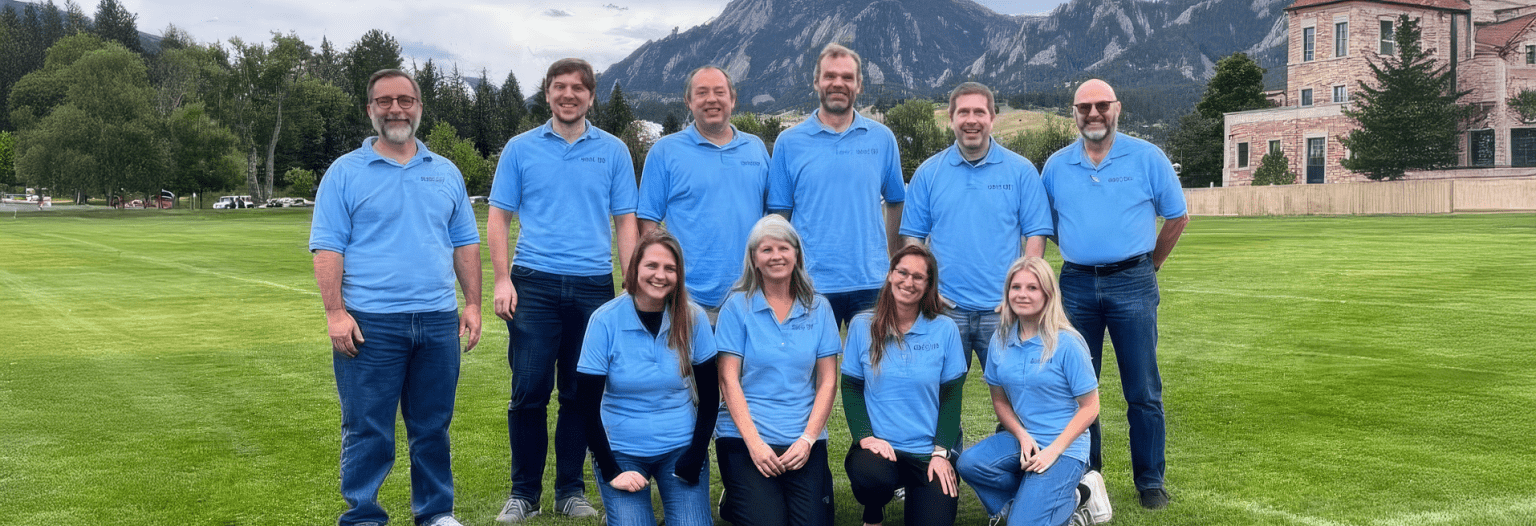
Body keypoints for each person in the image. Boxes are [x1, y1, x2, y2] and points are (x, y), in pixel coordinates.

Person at [309, 68, 481, 526]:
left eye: (405, 100)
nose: (396, 109)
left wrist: (472, 304)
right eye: (384, 101)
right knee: (368, 428)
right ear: (370, 110)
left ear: (419, 107)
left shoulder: (445, 172)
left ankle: (436, 513)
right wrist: (335, 312)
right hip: (371, 322)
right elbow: (327, 247)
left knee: (432, 427)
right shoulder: (345, 173)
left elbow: (465, 243)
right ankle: (364, 516)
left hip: (438, 319)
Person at [488, 57, 639, 522]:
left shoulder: (614, 150)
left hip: (594, 285)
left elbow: (626, 222)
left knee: (580, 392)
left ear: (590, 96)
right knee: (529, 390)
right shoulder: (520, 148)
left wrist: (632, 285)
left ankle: (570, 491)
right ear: (548, 92)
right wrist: (501, 278)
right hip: (533, 282)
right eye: (559, 86)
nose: (568, 94)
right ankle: (524, 494)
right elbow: (499, 216)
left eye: (578, 87)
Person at [1039, 78, 1189, 509]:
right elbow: (1046, 223)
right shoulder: (1056, 166)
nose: (1094, 113)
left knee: (1143, 388)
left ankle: (1150, 481)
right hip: (1076, 283)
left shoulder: (1147, 157)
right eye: (1084, 107)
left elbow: (1177, 217)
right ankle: (1088, 475)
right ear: (1073, 113)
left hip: (1133, 281)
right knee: (1076, 387)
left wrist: (1150, 264)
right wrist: (1081, 248)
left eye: (1102, 105)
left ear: (1117, 108)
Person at [901, 81, 1053, 371]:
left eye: (979, 112)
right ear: (951, 118)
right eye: (963, 112)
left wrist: (1020, 293)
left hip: (1003, 309)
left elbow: (1036, 234)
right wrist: (926, 290)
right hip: (944, 310)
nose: (971, 120)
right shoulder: (928, 173)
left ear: (992, 118)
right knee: (939, 391)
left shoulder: (1021, 171)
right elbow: (912, 239)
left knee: (1013, 388)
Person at [575, 230, 718, 526]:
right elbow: (586, 407)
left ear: (679, 274)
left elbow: (709, 399)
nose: (660, 275)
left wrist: (695, 454)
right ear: (635, 268)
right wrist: (612, 470)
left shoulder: (694, 318)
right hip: (621, 449)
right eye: (651, 265)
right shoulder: (604, 321)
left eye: (669, 268)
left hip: (680, 445)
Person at [714, 215, 841, 526]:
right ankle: (737, 497)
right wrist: (755, 444)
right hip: (745, 437)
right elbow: (728, 380)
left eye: (784, 248)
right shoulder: (736, 307)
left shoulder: (819, 308)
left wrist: (808, 439)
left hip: (802, 438)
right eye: (766, 249)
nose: (776, 256)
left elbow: (828, 381)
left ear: (796, 254)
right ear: (754, 259)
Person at [767, 43, 905, 327]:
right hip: (809, 283)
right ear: (816, 82)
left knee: (873, 357)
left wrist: (894, 259)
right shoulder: (788, 143)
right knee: (808, 358)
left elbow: (896, 200)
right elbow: (779, 219)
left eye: (847, 77)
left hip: (871, 283)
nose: (838, 83)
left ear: (859, 85)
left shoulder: (882, 138)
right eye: (830, 76)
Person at [956, 257, 1100, 526]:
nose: (1022, 294)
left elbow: (1090, 407)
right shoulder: (1000, 339)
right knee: (970, 463)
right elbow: (1000, 401)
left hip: (1065, 448)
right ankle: (1027, 505)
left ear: (1048, 294)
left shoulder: (1068, 342)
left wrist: (1053, 451)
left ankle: (1069, 501)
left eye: (1032, 288)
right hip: (1026, 440)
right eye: (1016, 287)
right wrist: (1022, 435)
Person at [840, 244, 967, 526]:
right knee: (872, 479)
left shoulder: (945, 329)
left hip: (927, 454)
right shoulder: (862, 326)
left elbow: (951, 396)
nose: (908, 282)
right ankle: (874, 511)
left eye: (918, 277)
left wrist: (941, 453)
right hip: (880, 450)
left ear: (929, 285)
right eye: (902, 273)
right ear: (890, 274)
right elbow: (851, 387)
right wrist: (865, 438)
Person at [638, 66, 769, 320]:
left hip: (751, 298)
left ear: (733, 99)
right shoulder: (665, 152)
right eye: (701, 93)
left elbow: (771, 219)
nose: (711, 99)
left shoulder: (756, 149)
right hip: (687, 300)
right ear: (688, 101)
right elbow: (647, 223)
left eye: (719, 92)